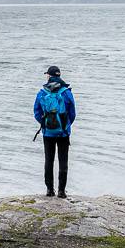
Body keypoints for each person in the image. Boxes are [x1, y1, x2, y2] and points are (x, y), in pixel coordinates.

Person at [33, 65, 75, 197]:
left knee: (48, 160)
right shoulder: (66, 93)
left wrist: (45, 124)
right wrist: (65, 126)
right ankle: (61, 192)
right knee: (63, 161)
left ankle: (49, 190)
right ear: (59, 76)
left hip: (48, 133)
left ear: (49, 76)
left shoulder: (42, 93)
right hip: (63, 133)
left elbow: (37, 112)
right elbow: (72, 113)